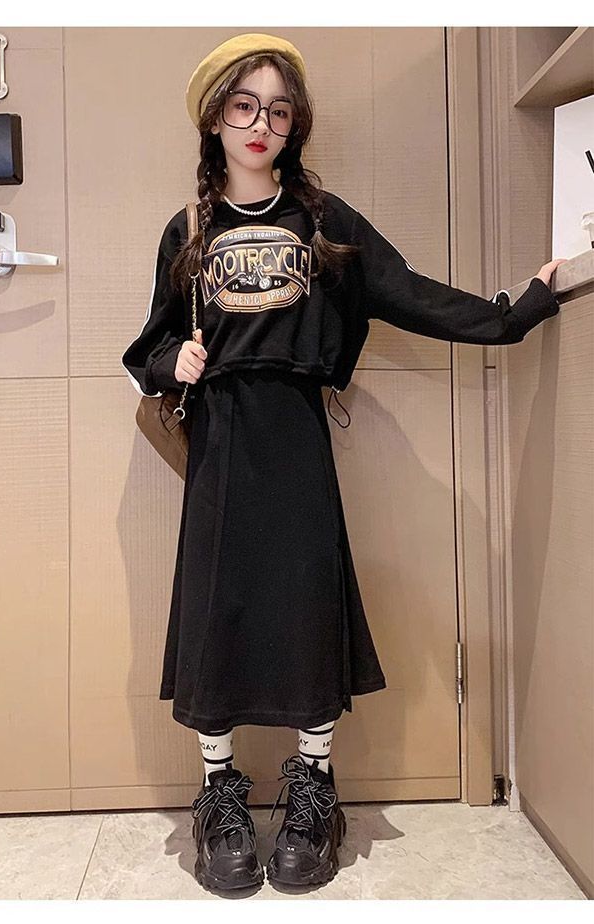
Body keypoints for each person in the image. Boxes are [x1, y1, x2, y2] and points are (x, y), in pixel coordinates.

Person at [121, 33, 566, 894]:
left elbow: (405, 290)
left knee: (305, 604)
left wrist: (515, 314)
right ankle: (218, 792)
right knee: (216, 607)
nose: (261, 124)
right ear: (215, 119)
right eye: (244, 106)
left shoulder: (324, 221)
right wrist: (175, 359)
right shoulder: (189, 230)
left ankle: (314, 789)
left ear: (295, 126)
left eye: (278, 110)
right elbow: (148, 349)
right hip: (221, 445)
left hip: (296, 439)